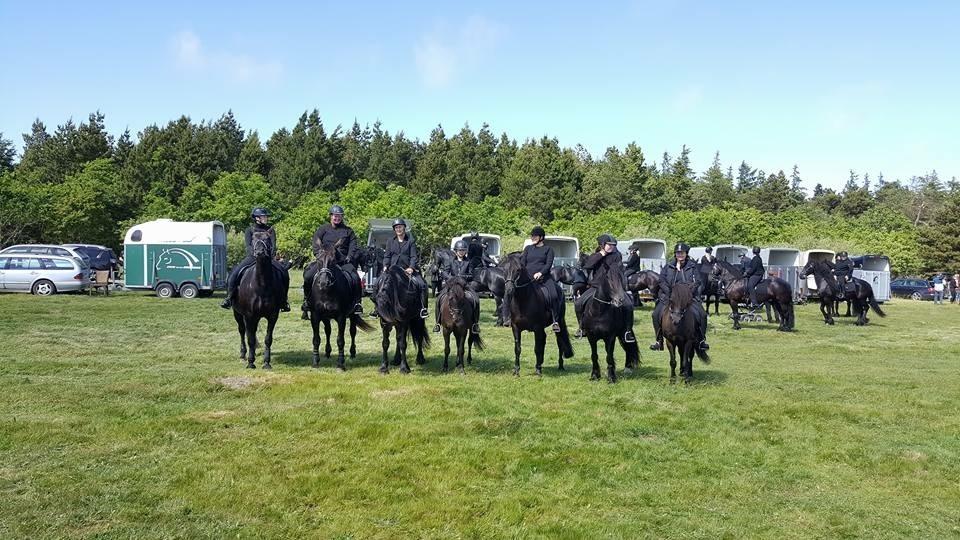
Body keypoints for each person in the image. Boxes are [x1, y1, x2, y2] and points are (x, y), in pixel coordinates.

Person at [221, 207, 291, 312]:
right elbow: (248, 246)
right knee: (233, 274)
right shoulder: (249, 230)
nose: (266, 218)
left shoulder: (270, 230)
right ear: (257, 218)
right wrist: (255, 255)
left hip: (268, 258)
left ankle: (283, 301)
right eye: (264, 216)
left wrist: (270, 256)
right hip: (252, 257)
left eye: (266, 216)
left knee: (284, 273)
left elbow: (273, 246)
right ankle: (229, 298)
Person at [301, 205, 363, 320]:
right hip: (324, 261)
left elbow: (353, 246)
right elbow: (315, 242)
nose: (337, 218)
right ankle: (307, 301)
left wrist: (349, 257)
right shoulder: (323, 229)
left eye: (339, 216)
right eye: (335, 216)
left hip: (342, 261)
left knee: (355, 277)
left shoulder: (348, 231)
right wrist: (319, 255)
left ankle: (357, 303)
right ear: (331, 216)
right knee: (308, 275)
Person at [649, 242, 709, 352]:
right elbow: (662, 281)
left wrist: (689, 292)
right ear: (675, 254)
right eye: (678, 253)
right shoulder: (668, 266)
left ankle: (701, 340)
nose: (680, 255)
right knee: (655, 314)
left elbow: (698, 282)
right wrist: (669, 293)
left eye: (682, 253)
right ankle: (659, 340)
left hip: (688, 298)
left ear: (686, 254)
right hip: (669, 297)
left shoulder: (693, 266)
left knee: (703, 315)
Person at [577, 234, 635, 341]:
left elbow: (618, 269)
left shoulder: (616, 256)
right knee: (579, 303)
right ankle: (582, 328)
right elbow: (588, 265)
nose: (611, 247)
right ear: (602, 245)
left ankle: (628, 331)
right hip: (596, 287)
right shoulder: (596, 255)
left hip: (613, 287)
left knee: (629, 305)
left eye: (613, 245)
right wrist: (601, 254)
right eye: (609, 245)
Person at [380, 218, 428, 318]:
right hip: (392, 270)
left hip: (407, 270)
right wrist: (385, 266)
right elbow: (387, 256)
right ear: (394, 230)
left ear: (404, 228)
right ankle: (377, 308)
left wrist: (411, 267)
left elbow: (414, 257)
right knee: (378, 284)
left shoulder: (410, 241)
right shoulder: (390, 241)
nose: (398, 229)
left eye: (400, 227)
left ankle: (423, 308)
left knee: (422, 284)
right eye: (396, 228)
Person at [520, 226, 563, 333]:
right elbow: (522, 262)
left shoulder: (548, 250)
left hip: (543, 278)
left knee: (553, 295)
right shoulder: (528, 249)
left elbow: (548, 264)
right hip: (528, 279)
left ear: (541, 237)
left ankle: (555, 320)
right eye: (532, 236)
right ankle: (507, 316)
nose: (532, 237)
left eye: (535, 236)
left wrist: (540, 273)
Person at [434, 240, 480, 334]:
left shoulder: (469, 262)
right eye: (459, 250)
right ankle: (438, 322)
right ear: (456, 251)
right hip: (452, 285)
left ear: (465, 251)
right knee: (439, 298)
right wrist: (451, 278)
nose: (461, 252)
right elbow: (445, 272)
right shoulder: (450, 261)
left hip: (464, 286)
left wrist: (462, 278)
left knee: (475, 299)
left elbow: (471, 274)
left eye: (463, 250)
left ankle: (475, 323)